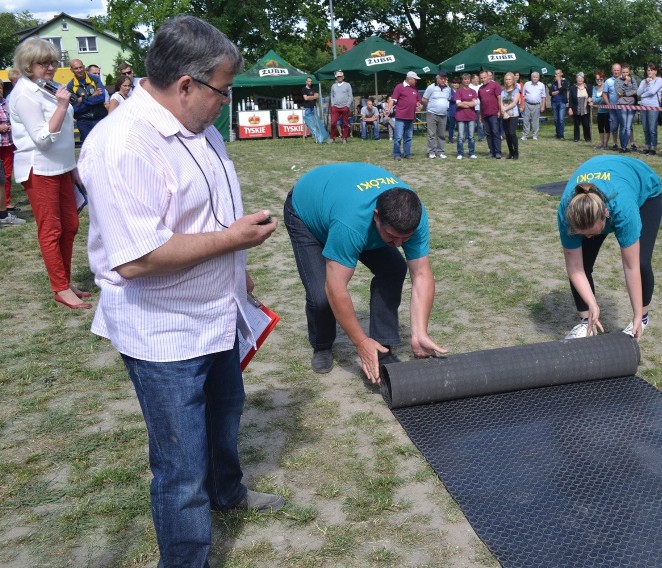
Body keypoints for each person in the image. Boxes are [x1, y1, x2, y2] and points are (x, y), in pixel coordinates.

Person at [78, 16, 282, 566]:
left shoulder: (200, 127)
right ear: (186, 84)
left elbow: (204, 212)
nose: (228, 100)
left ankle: (230, 493)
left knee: (225, 414)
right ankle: (187, 557)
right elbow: (138, 257)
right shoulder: (122, 144)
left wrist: (237, 266)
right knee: (180, 465)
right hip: (164, 331)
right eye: (223, 88)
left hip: (216, 312)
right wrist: (232, 239)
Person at [283, 162, 446, 379]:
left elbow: (422, 274)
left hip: (341, 203)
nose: (398, 244)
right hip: (307, 213)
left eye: (404, 239)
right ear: (377, 216)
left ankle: (382, 346)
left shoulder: (414, 216)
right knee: (321, 297)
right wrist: (360, 342)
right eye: (391, 237)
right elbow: (336, 288)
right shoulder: (350, 224)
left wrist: (419, 332)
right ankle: (322, 345)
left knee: (394, 268)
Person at [9, 38, 91, 302]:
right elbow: (42, 139)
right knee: (52, 229)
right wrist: (62, 106)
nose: (51, 67)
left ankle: (65, 281)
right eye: (43, 63)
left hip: (61, 167)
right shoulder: (24, 94)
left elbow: (65, 134)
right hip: (39, 169)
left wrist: (72, 167)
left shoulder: (46, 87)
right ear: (28, 65)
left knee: (71, 224)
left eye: (53, 61)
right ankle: (60, 287)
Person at [559, 155, 662, 341]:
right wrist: (592, 304)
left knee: (641, 262)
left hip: (645, 189)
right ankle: (586, 322)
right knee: (583, 261)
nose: (588, 238)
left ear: (605, 215)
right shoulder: (568, 212)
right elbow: (575, 267)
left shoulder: (623, 209)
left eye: (591, 233)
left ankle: (643, 319)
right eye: (583, 234)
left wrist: (637, 314)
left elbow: (631, 267)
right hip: (604, 187)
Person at [67, 58, 107, 143]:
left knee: (104, 145)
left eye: (81, 67)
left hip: (100, 118)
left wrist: (82, 99)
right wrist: (92, 96)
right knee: (88, 148)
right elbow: (75, 108)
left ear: (84, 67)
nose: (79, 70)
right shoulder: (70, 86)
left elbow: (101, 97)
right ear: (71, 70)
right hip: (83, 121)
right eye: (76, 68)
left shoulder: (95, 79)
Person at [387, 71, 420, 160]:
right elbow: (393, 99)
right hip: (400, 117)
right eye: (415, 79)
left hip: (410, 117)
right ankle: (397, 154)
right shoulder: (399, 87)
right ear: (410, 79)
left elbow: (418, 101)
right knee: (398, 137)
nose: (416, 81)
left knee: (408, 137)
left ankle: (407, 153)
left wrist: (419, 106)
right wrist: (388, 109)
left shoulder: (415, 89)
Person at [0, 87, 20, 218]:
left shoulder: (6, 103)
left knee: (6, 174)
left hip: (8, 142)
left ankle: (5, 203)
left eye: (0, 87)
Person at [422, 71, 452, 159]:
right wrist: (431, 106)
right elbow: (424, 99)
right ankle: (431, 151)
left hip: (443, 114)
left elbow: (448, 99)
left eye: (444, 79)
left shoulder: (448, 88)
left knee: (441, 134)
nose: (443, 80)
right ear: (437, 79)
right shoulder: (431, 87)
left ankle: (440, 152)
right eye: (441, 79)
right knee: (431, 134)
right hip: (432, 113)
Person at [637, 64, 662, 154]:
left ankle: (653, 147)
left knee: (652, 128)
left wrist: (643, 95)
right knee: (645, 128)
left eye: (652, 70)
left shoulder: (659, 80)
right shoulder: (644, 81)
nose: (650, 72)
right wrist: (645, 84)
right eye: (648, 70)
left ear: (655, 71)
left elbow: (652, 91)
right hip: (643, 106)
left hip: (654, 106)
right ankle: (647, 146)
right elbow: (638, 92)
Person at [479, 69, 503, 158]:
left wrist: (500, 110)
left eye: (484, 77)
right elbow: (481, 102)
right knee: (488, 134)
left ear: (488, 77)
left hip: (494, 113)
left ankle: (498, 152)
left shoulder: (495, 85)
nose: (483, 79)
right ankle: (491, 151)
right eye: (481, 78)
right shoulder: (480, 89)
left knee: (495, 132)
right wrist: (481, 115)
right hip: (485, 114)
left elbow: (499, 98)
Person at [614, 65, 638, 152]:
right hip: (621, 105)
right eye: (623, 72)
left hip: (631, 105)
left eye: (626, 72)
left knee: (628, 126)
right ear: (621, 72)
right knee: (623, 126)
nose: (625, 74)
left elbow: (636, 91)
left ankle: (625, 146)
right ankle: (623, 146)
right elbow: (619, 93)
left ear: (629, 72)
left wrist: (626, 94)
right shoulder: (617, 81)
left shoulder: (633, 79)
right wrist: (625, 83)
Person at [454, 73, 477, 159]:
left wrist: (464, 103)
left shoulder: (473, 91)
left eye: (468, 79)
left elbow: (474, 103)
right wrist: (469, 104)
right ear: (462, 81)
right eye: (465, 79)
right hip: (461, 116)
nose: (466, 81)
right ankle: (460, 153)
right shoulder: (459, 91)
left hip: (471, 116)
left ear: (470, 80)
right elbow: (458, 104)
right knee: (460, 136)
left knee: (471, 136)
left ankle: (471, 153)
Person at [500, 72, 521, 160]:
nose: (508, 81)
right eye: (506, 79)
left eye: (509, 79)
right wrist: (503, 111)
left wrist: (505, 109)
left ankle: (516, 153)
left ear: (513, 80)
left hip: (513, 115)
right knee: (507, 134)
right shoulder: (503, 91)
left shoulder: (516, 91)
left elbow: (514, 103)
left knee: (512, 133)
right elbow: (500, 102)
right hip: (504, 115)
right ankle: (510, 152)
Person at [329, 70, 352, 144]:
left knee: (345, 123)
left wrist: (347, 105)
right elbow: (332, 96)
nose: (339, 78)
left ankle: (344, 138)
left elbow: (350, 96)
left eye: (340, 76)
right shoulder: (333, 86)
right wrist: (332, 105)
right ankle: (332, 138)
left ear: (343, 77)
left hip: (344, 107)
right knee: (333, 123)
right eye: (338, 76)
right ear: (336, 77)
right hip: (335, 107)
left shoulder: (347, 85)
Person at [568, 72, 592, 142]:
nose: (579, 80)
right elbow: (571, 99)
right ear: (576, 79)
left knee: (586, 124)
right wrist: (570, 108)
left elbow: (591, 95)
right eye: (578, 78)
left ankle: (587, 138)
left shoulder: (588, 87)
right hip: (576, 109)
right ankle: (576, 138)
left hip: (585, 109)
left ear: (583, 79)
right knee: (576, 124)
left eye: (581, 78)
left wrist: (590, 98)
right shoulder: (573, 88)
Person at [522, 71, 546, 140]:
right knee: (526, 120)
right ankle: (525, 135)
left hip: (537, 105)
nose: (535, 78)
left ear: (539, 78)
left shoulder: (541, 85)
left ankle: (534, 135)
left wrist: (543, 106)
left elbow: (543, 97)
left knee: (535, 121)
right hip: (527, 104)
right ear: (531, 77)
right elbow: (523, 96)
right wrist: (523, 105)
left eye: (536, 77)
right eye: (534, 77)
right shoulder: (526, 84)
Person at [603, 63, 622, 149]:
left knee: (625, 127)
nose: (616, 72)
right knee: (614, 127)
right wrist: (609, 105)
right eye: (614, 70)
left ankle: (626, 144)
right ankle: (615, 143)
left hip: (624, 107)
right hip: (613, 108)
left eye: (618, 70)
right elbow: (604, 94)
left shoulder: (625, 79)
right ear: (612, 70)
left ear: (620, 70)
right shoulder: (608, 81)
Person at [590, 71, 610, 149]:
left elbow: (606, 99)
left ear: (603, 79)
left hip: (607, 111)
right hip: (600, 111)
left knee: (607, 127)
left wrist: (602, 98)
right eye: (597, 79)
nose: (599, 81)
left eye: (600, 79)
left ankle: (606, 144)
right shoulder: (595, 88)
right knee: (600, 127)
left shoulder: (606, 87)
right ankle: (601, 143)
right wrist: (602, 97)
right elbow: (594, 99)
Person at [301, 76, 322, 142]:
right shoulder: (304, 89)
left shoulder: (314, 88)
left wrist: (309, 97)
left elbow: (317, 96)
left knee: (315, 121)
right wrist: (313, 97)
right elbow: (305, 98)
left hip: (314, 107)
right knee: (307, 121)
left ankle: (315, 134)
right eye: (309, 81)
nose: (310, 82)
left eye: (311, 81)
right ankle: (305, 135)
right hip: (307, 107)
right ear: (306, 82)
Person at [551, 69, 568, 139]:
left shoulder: (565, 81)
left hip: (562, 102)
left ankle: (561, 135)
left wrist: (558, 81)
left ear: (561, 74)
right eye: (555, 74)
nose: (556, 75)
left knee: (561, 119)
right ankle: (557, 133)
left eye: (558, 73)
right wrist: (554, 92)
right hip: (554, 102)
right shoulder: (553, 82)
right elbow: (550, 92)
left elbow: (562, 89)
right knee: (555, 119)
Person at [470, 72, 484, 142]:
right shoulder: (469, 86)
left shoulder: (480, 86)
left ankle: (480, 137)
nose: (478, 80)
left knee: (480, 123)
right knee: (471, 123)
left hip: (479, 107)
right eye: (476, 79)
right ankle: (469, 137)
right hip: (471, 108)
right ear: (472, 80)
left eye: (478, 79)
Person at [447, 77, 459, 143]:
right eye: (454, 83)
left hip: (459, 111)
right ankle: (450, 139)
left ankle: (460, 139)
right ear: (452, 84)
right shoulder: (449, 91)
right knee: (451, 126)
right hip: (452, 111)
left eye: (457, 83)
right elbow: (450, 99)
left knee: (460, 126)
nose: (456, 84)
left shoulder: (460, 91)